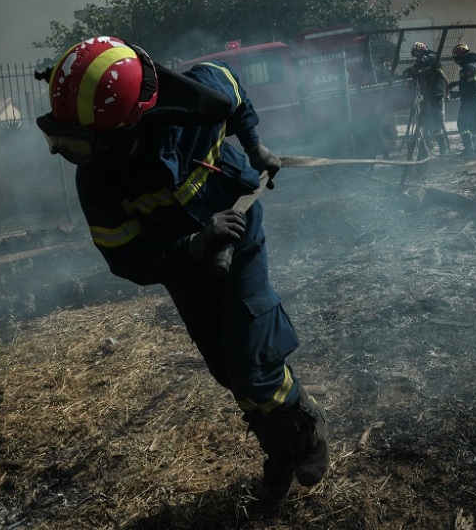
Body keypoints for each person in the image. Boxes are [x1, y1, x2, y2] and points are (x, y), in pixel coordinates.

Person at [33, 36, 328, 509]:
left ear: (131, 124)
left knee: (251, 360)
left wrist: (253, 145)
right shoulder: (98, 180)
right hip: (183, 264)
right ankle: (279, 451)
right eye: (61, 137)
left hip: (238, 232)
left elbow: (233, 92)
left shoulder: (198, 99)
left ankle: (304, 431)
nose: (65, 153)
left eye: (78, 142)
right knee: (226, 369)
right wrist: (191, 248)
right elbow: (125, 256)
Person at [404, 41, 450, 156]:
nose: (418, 57)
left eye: (419, 54)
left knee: (437, 123)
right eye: (416, 54)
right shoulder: (416, 67)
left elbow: (445, 79)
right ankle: (427, 147)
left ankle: (443, 150)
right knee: (426, 122)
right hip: (425, 97)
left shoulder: (434, 64)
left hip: (436, 95)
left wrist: (447, 94)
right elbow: (412, 75)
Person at [448, 43, 476, 155]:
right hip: (471, 101)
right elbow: (468, 83)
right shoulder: (469, 66)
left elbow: (472, 86)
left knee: (465, 124)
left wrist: (458, 93)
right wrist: (457, 83)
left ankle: (472, 149)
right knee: (470, 124)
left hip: (471, 102)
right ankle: (475, 149)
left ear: (461, 56)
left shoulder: (468, 68)